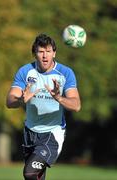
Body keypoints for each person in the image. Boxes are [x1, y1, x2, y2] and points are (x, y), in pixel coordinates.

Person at [6, 33, 81, 180]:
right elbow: (9, 101)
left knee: (30, 173)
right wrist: (22, 99)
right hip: (30, 132)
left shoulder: (65, 73)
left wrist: (59, 97)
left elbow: (76, 105)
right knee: (36, 177)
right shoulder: (25, 72)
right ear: (35, 54)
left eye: (48, 51)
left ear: (54, 53)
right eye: (41, 51)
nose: (45, 56)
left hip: (52, 133)